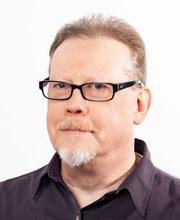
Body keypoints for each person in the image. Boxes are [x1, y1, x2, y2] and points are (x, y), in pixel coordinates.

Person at [0, 14, 180, 220]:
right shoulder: (5, 204)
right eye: (61, 85)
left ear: (139, 105)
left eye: (98, 86)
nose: (74, 105)